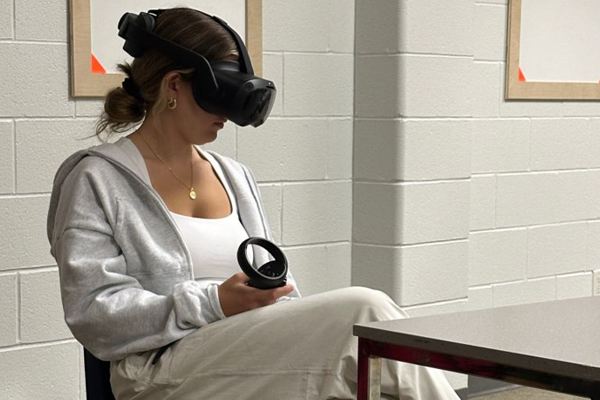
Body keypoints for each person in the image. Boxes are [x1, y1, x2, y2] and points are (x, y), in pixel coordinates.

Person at [47, 8, 460, 400]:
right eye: (221, 92)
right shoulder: (96, 179)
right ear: (174, 86)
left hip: (246, 356)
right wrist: (214, 303)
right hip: (157, 374)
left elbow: (281, 290)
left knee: (374, 364)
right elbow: (93, 314)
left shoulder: (234, 176)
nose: (229, 113)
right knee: (365, 311)